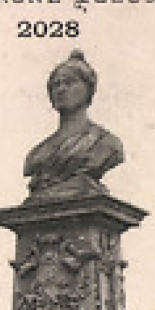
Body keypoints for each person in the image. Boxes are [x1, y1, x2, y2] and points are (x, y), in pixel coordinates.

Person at [23, 49, 125, 203]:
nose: (61, 89)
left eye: (70, 82)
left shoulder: (106, 143)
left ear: (88, 90)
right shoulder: (37, 154)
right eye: (55, 85)